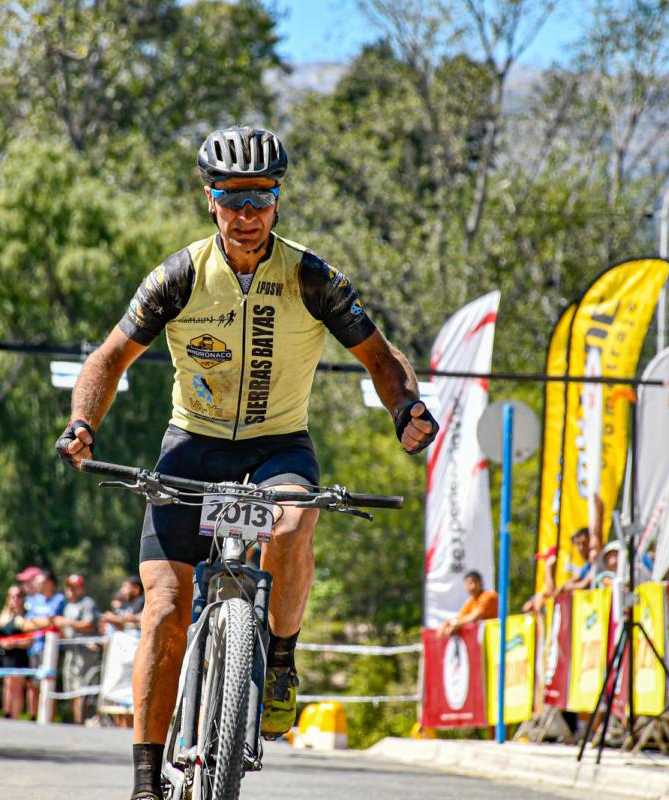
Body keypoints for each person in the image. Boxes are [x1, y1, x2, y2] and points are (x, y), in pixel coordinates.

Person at [55, 125, 438, 800]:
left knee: (291, 524)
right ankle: (145, 781)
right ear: (210, 199)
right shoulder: (179, 276)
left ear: (278, 199)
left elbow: (380, 358)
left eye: (260, 196)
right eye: (233, 197)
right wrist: (83, 423)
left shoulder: (312, 277)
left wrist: (406, 407)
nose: (247, 212)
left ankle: (280, 660)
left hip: (277, 446)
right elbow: (108, 359)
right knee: (164, 610)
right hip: (192, 444)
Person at [55, 574, 101, 724]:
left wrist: (66, 623)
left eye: (74, 587)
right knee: (71, 689)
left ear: (82, 588)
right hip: (71, 652)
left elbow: (88, 624)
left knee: (82, 689)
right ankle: (77, 721)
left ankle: (82, 721)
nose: (71, 590)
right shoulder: (68, 606)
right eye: (69, 587)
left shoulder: (87, 603)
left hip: (85, 653)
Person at [23, 569, 65, 718]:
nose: (37, 585)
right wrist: (42, 622)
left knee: (48, 685)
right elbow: (26, 625)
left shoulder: (59, 599)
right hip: (34, 648)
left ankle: (50, 719)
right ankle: (33, 717)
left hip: (50, 649)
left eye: (40, 582)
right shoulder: (35, 600)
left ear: (50, 583)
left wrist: (38, 622)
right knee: (33, 685)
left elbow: (54, 622)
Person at [0, 584, 31, 720]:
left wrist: (14, 643)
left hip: (19, 655)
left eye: (18, 596)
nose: (15, 599)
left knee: (16, 687)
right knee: (7, 685)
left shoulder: (26, 617)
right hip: (5, 656)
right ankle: (7, 713)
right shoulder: (3, 617)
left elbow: (30, 641)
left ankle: (15, 716)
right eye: (12, 596)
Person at [436, 571, 499, 637]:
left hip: (496, 638)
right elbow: (460, 617)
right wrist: (446, 624)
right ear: (465, 586)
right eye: (469, 583)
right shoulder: (472, 600)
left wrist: (454, 623)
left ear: (481, 583)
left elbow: (473, 617)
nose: (473, 586)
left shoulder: (489, 596)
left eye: (475, 582)